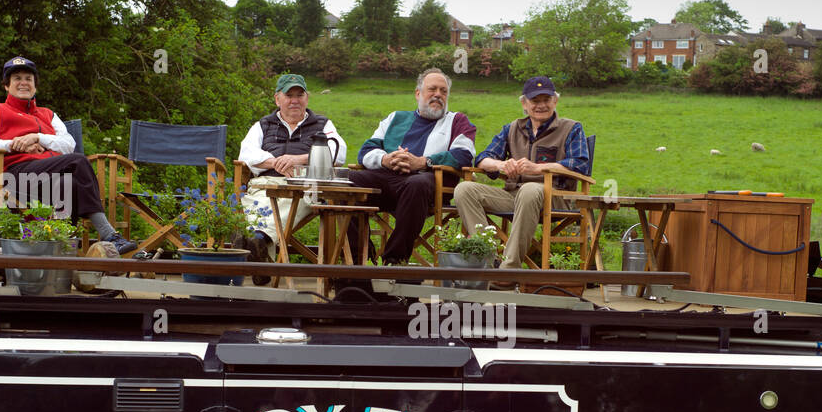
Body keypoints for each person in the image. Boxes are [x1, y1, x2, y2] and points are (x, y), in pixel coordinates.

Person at [0, 56, 137, 253]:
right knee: (79, 162)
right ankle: (109, 234)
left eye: (28, 79)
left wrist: (38, 138)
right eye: (17, 78)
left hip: (50, 177)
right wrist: (16, 145)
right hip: (17, 176)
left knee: (70, 184)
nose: (23, 83)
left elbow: (68, 145)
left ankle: (61, 249)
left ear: (35, 86)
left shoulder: (48, 114)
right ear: (6, 85)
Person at [453, 76, 591, 271]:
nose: (541, 105)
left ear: (555, 101)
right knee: (464, 189)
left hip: (555, 197)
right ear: (524, 104)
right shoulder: (512, 129)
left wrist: (539, 168)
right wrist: (501, 165)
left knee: (530, 189)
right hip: (514, 195)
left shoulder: (571, 128)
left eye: (546, 100)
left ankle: (509, 269)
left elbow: (580, 165)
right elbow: (483, 158)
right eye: (535, 101)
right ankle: (488, 261)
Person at [348, 69, 476, 264]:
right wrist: (386, 159)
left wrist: (423, 161)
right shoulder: (395, 118)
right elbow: (365, 150)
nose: (438, 95)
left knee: (416, 183)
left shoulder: (457, 121)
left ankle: (395, 260)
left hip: (430, 183)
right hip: (388, 179)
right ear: (418, 93)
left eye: (443, 91)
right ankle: (358, 258)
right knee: (349, 181)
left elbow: (464, 155)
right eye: (432, 89)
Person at [237, 73, 347, 258]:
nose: (295, 101)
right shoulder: (263, 125)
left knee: (291, 204)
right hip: (266, 184)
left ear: (307, 98)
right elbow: (246, 154)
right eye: (289, 96)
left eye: (299, 95)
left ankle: (255, 242)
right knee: (259, 205)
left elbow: (339, 152)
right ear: (277, 99)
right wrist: (276, 162)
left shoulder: (322, 124)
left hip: (303, 186)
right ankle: (259, 250)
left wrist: (300, 159)